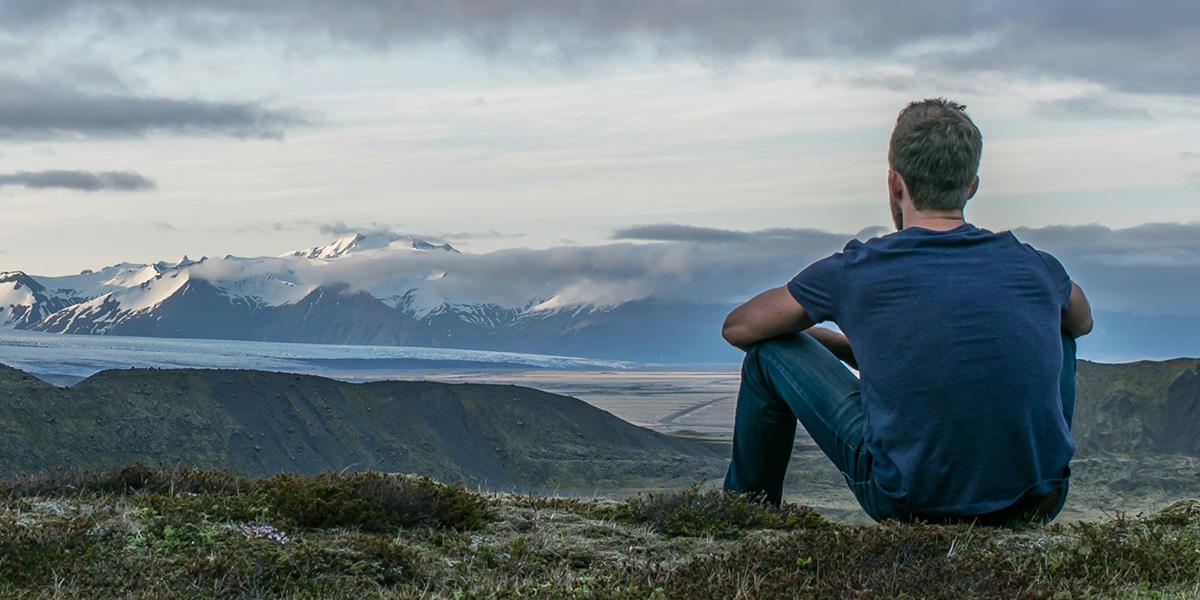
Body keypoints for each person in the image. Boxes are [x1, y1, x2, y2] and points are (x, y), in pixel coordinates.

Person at [720, 98, 1093, 524]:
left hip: (910, 502)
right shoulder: (1037, 265)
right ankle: (1029, 474)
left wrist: (809, 337)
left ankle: (744, 518)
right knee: (1061, 329)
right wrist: (851, 347)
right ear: (971, 185)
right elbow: (1082, 322)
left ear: (895, 183)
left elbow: (739, 327)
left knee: (767, 355)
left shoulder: (856, 270)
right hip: (1039, 499)